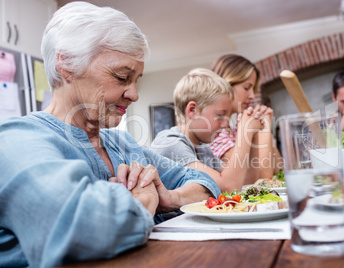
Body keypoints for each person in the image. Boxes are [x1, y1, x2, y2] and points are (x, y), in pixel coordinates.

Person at [0, 2, 220, 267]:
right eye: (121, 77)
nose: (134, 94)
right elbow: (82, 226)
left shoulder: (123, 144)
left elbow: (202, 181)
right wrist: (143, 201)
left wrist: (170, 198)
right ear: (66, 64)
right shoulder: (16, 140)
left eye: (136, 80)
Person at [150, 68, 266, 192]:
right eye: (221, 115)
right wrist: (245, 132)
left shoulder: (202, 149)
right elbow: (229, 187)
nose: (226, 123)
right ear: (192, 110)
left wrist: (253, 135)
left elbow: (247, 183)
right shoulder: (170, 143)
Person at [209, 54, 283, 183]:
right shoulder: (214, 133)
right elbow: (262, 179)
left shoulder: (234, 130)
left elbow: (279, 171)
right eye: (247, 88)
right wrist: (264, 127)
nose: (252, 96)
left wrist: (265, 130)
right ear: (226, 85)